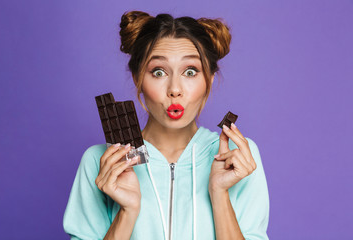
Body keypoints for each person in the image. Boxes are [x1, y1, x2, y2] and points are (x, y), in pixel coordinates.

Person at [63, 11, 269, 240]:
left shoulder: (237, 158)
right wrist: (127, 212)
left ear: (209, 79)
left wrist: (219, 194)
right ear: (137, 78)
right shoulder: (100, 161)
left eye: (190, 72)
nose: (175, 89)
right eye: (158, 72)